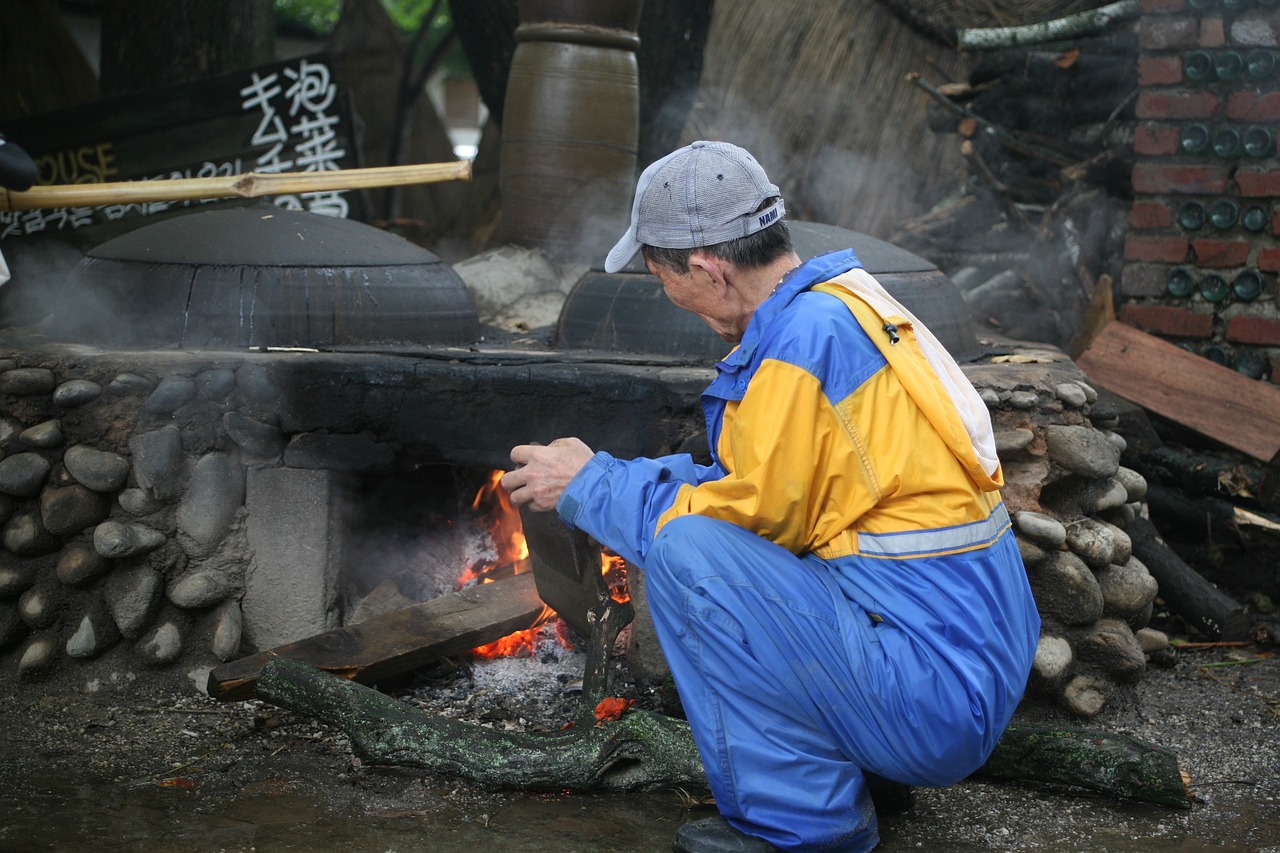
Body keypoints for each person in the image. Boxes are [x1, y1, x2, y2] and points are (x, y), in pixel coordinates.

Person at [500, 141, 1040, 852]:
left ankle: (805, 826)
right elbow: (760, 497)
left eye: (661, 275)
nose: (666, 293)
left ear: (707, 269)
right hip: (963, 670)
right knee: (706, 539)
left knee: (686, 551)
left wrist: (592, 484)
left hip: (933, 698)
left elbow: (735, 525)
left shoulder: (798, 349)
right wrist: (604, 471)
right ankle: (863, 764)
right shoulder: (842, 305)